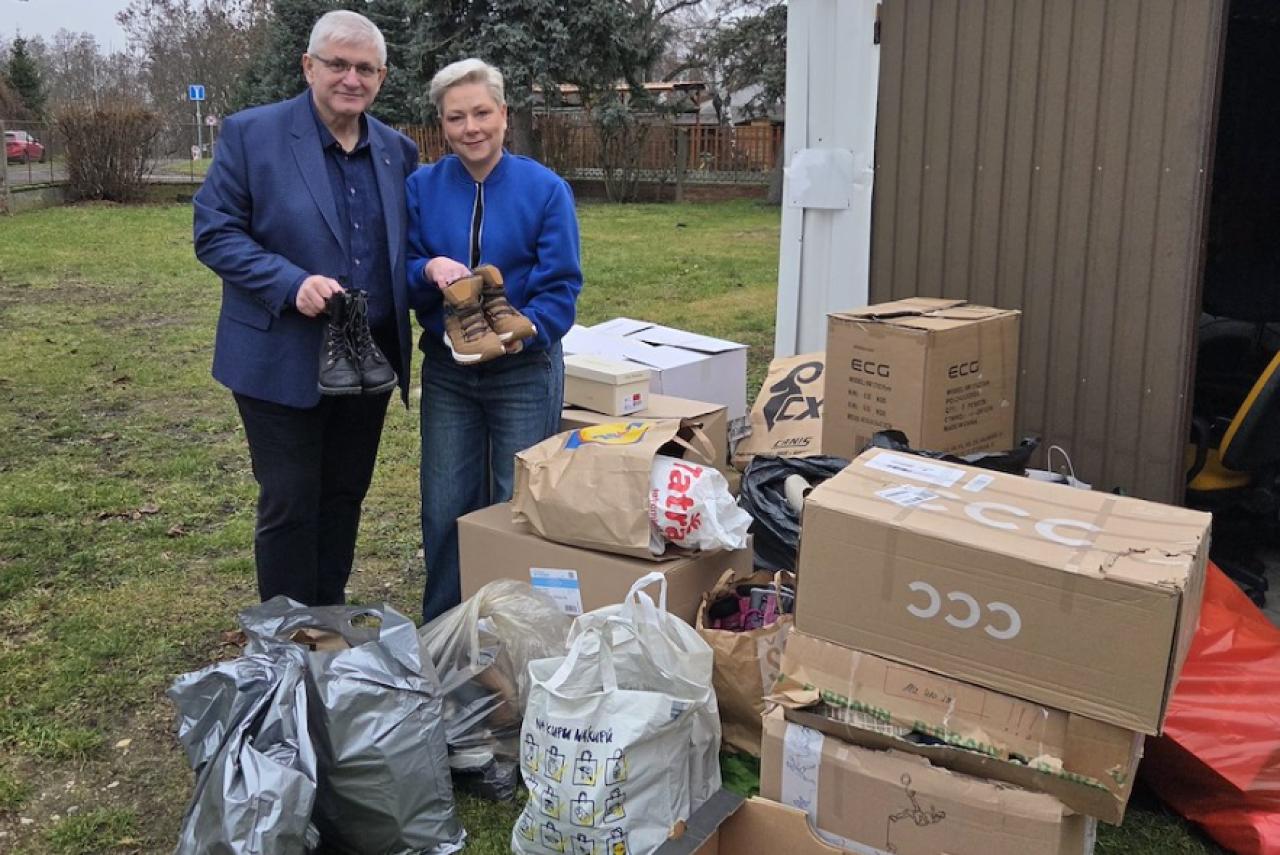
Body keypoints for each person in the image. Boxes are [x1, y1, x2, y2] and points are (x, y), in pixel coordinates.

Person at [193, 10, 419, 606]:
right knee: (291, 499)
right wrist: (290, 283)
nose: (352, 77)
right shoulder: (252, 134)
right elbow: (215, 233)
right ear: (308, 66)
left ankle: (327, 617)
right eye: (338, 64)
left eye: (365, 68)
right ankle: (286, 638)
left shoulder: (398, 151)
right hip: (279, 354)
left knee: (344, 495)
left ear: (382, 76)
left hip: (367, 361)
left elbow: (411, 248)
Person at [407, 58, 583, 622]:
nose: (471, 127)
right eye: (456, 117)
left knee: (519, 505)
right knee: (445, 507)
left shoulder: (545, 190)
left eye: (482, 112)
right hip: (449, 371)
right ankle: (442, 631)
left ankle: (520, 635)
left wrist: (528, 329)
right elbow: (403, 268)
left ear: (504, 114)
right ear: (442, 124)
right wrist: (427, 269)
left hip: (523, 372)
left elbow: (562, 287)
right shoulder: (422, 187)